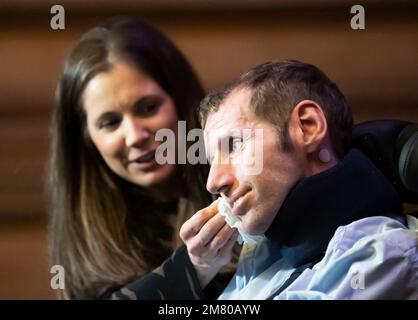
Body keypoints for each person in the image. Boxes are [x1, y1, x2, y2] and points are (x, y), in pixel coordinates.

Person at [182, 59, 418, 299]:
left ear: (308, 127)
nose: (213, 181)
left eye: (234, 144)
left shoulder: (383, 257)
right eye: (213, 162)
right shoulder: (258, 260)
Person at [48, 17, 238, 299]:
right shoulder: (88, 236)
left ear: (179, 101)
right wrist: (195, 267)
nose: (135, 135)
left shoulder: (239, 174)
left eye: (148, 108)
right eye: (110, 122)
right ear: (86, 139)